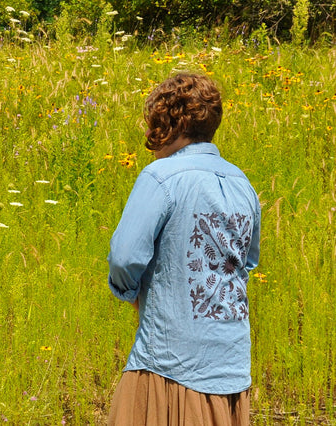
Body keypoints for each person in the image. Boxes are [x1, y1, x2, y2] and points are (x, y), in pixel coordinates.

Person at [107, 73, 261, 426]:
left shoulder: (161, 177)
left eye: (153, 124)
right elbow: (246, 263)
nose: (149, 135)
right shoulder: (243, 184)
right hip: (232, 364)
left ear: (167, 124)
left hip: (170, 364)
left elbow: (125, 256)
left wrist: (130, 292)